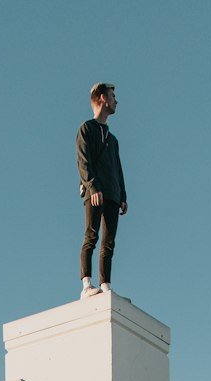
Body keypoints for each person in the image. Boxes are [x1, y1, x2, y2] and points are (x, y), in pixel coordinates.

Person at [76, 83, 127, 300]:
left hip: (113, 195)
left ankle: (105, 283)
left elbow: (118, 167)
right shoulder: (86, 129)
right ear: (102, 98)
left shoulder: (113, 139)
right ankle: (86, 283)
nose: (116, 100)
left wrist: (123, 195)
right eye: (113, 96)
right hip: (95, 193)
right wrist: (92, 186)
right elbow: (83, 161)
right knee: (92, 235)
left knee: (109, 241)